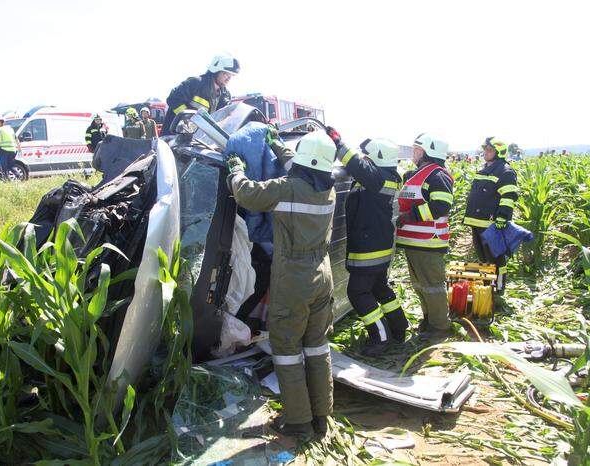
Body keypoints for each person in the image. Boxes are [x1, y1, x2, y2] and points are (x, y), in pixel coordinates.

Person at [226, 128, 336, 440]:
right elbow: (303, 168)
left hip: (294, 279)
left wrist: (235, 168)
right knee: (316, 346)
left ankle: (298, 422)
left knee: (287, 349)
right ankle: (321, 415)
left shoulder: (286, 189)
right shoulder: (328, 189)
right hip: (322, 275)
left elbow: (246, 193)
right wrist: (279, 149)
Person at [325, 127, 408, 356]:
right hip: (378, 246)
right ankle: (399, 327)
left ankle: (380, 338)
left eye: (369, 156)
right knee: (380, 288)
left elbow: (357, 166)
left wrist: (339, 143)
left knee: (358, 293)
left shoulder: (378, 178)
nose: (365, 159)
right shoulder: (385, 178)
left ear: (378, 159)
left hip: (369, 250)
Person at [396, 133, 454, 337]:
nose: (414, 153)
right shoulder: (418, 173)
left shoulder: (437, 175)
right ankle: (429, 320)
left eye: (416, 150)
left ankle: (440, 327)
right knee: (421, 286)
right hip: (414, 242)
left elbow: (441, 205)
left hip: (429, 242)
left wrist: (410, 215)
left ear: (427, 151)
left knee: (432, 287)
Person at [463, 137, 518, 293]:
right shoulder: (484, 169)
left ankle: (498, 289)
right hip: (477, 223)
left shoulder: (505, 171)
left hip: (492, 224)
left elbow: (508, 198)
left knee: (496, 259)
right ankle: (487, 288)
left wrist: (502, 219)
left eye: (489, 150)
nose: (485, 152)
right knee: (484, 259)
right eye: (485, 149)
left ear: (499, 152)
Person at [160, 53, 239, 135]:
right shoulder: (195, 83)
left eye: (232, 75)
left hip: (198, 141)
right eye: (226, 74)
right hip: (173, 137)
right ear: (216, 70)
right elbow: (173, 99)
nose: (229, 78)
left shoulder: (225, 96)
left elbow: (221, 119)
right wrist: (187, 119)